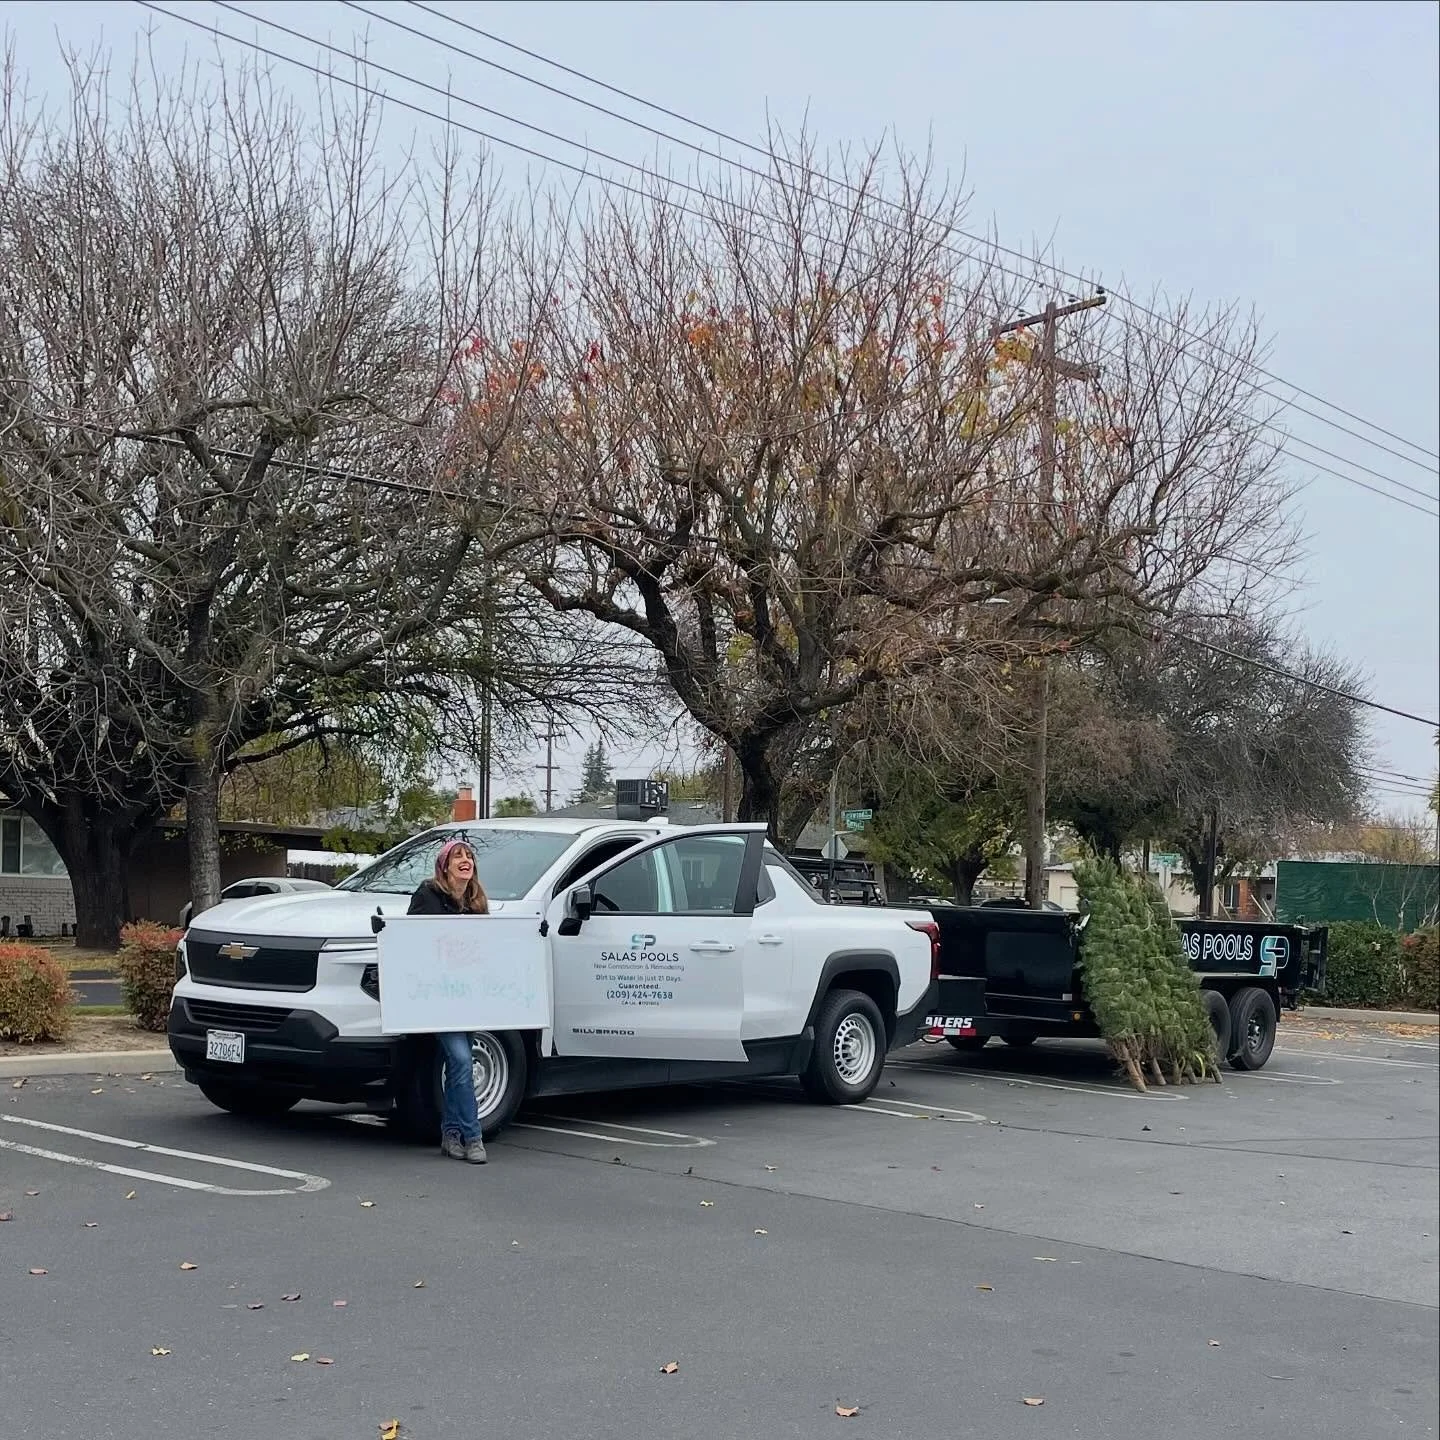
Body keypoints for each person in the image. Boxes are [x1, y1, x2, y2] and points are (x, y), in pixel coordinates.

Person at [408, 838, 490, 1165]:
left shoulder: (477, 902)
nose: (465, 860)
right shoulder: (428, 894)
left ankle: (450, 1134)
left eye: (469, 855)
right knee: (459, 1061)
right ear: (445, 865)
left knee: (459, 1064)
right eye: (458, 855)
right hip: (438, 995)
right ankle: (474, 1138)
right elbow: (413, 941)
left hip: (468, 997)